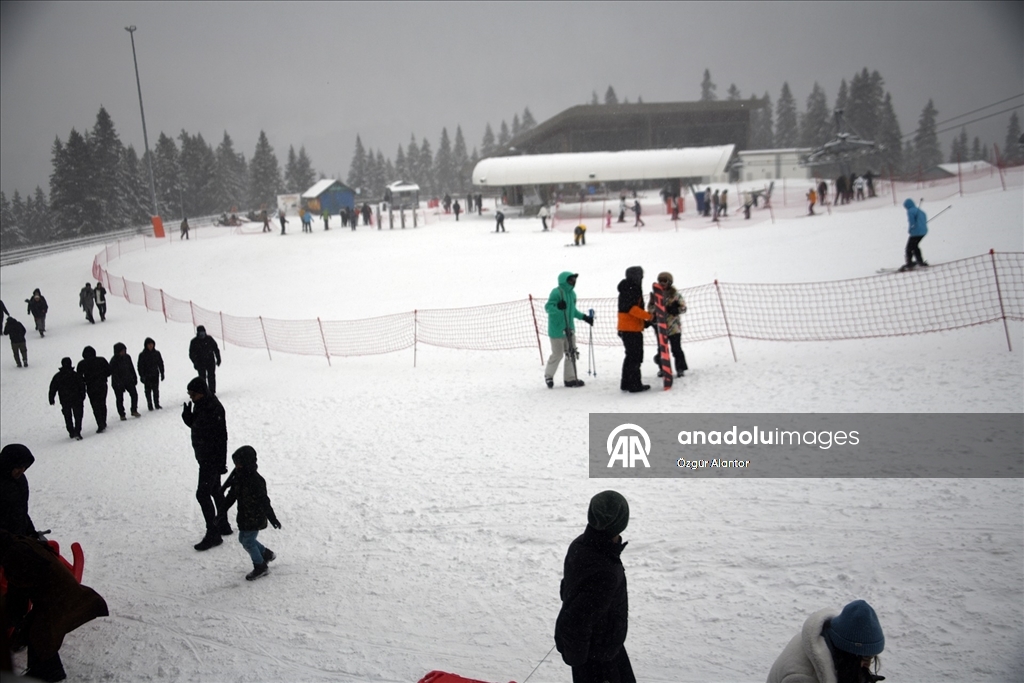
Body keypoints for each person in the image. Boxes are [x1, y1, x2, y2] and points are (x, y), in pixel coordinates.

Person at [0, 529, 110, 683]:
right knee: (37, 629)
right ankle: (48, 670)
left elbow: (17, 602)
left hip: (61, 599)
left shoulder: (15, 557)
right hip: (60, 596)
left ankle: (48, 672)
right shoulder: (19, 544)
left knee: (40, 631)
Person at [554, 490, 635, 683]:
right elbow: (578, 618)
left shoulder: (580, 545)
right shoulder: (605, 569)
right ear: (621, 523)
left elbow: (569, 591)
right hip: (598, 658)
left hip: (604, 647)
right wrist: (581, 663)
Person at [767, 599, 886, 683]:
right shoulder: (803, 678)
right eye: (865, 658)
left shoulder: (825, 639)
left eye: (871, 658)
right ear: (848, 654)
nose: (868, 665)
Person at [218, 445, 282, 581]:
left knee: (247, 541)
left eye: (239, 464)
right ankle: (265, 554)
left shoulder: (256, 481)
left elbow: (265, 501)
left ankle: (261, 567)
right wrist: (221, 512)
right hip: (244, 516)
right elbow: (231, 497)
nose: (237, 467)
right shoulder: (239, 477)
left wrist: (273, 518)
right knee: (244, 539)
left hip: (255, 517)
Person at [181, 377, 231, 550]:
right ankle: (223, 524)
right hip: (205, 456)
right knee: (216, 491)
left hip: (211, 459)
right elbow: (199, 427)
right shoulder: (202, 404)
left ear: (201, 393)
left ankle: (213, 533)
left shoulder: (213, 408)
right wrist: (188, 419)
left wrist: (221, 463)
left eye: (192, 394)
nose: (191, 397)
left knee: (202, 494)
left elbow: (221, 437)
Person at [543, 272, 593, 389]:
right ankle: (548, 375)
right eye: (570, 280)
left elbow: (572, 311)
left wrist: (585, 317)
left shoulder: (572, 294)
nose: (573, 282)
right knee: (557, 354)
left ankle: (569, 379)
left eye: (574, 280)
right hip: (556, 330)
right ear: (564, 280)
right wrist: (557, 307)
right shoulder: (556, 292)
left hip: (569, 329)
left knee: (571, 353)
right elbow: (548, 307)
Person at [617, 266, 652, 393]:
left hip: (627, 327)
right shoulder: (632, 288)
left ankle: (626, 383)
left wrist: (644, 323)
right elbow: (632, 309)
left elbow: (628, 309)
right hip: (631, 329)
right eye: (640, 275)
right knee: (635, 357)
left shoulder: (627, 288)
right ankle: (634, 385)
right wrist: (649, 317)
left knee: (630, 356)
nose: (642, 277)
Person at [647, 272, 688, 378]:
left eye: (664, 281)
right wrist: (654, 310)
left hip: (673, 327)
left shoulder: (675, 295)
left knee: (676, 349)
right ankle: (662, 368)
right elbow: (650, 309)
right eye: (660, 281)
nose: (662, 283)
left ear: (669, 282)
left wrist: (674, 309)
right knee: (661, 349)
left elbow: (683, 308)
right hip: (660, 327)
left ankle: (680, 368)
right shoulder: (655, 295)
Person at [0, 444, 40, 537]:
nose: (22, 471)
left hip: (17, 537)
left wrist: (30, 531)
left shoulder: (19, 480)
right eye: (18, 467)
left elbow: (20, 510)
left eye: (24, 467)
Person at [49, 358, 85, 440]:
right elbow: (82, 386)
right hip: (77, 399)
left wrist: (51, 398)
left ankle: (71, 431)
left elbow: (53, 388)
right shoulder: (76, 375)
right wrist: (83, 396)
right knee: (78, 416)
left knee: (67, 416)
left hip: (65, 400)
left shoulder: (58, 376)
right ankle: (77, 431)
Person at [77, 346, 110, 434]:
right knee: (102, 404)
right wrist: (102, 376)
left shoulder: (82, 364)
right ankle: (103, 421)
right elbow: (109, 371)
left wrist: (86, 380)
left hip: (91, 387)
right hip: (102, 385)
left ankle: (100, 423)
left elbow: (79, 378)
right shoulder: (101, 360)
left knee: (95, 406)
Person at [109, 342, 141, 421]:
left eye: (124, 350)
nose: (123, 352)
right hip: (117, 383)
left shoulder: (127, 357)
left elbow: (131, 368)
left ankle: (134, 410)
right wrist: (119, 384)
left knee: (134, 394)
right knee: (119, 399)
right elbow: (114, 374)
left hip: (128, 380)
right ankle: (122, 414)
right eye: (122, 351)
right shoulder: (113, 361)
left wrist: (135, 377)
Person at [189, 325, 221, 396]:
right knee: (202, 378)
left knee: (211, 376)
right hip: (200, 363)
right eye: (200, 333)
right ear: (197, 333)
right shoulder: (194, 342)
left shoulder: (209, 339)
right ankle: (204, 391)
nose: (202, 335)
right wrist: (195, 362)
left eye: (203, 333)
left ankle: (212, 391)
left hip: (210, 361)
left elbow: (216, 349)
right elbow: (191, 354)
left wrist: (218, 359)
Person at [138, 337, 165, 411]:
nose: (150, 346)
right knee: (148, 391)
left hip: (155, 374)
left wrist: (162, 373)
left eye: (151, 344)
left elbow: (160, 363)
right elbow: (140, 366)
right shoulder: (142, 355)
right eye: (149, 344)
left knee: (156, 390)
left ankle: (157, 404)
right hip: (147, 376)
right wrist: (142, 376)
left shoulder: (156, 353)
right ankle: (150, 405)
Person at [902, 198, 929, 270]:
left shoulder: (910, 211)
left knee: (909, 248)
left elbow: (912, 222)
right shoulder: (921, 211)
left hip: (916, 232)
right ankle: (920, 261)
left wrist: (910, 229)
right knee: (915, 246)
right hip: (923, 232)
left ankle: (909, 263)